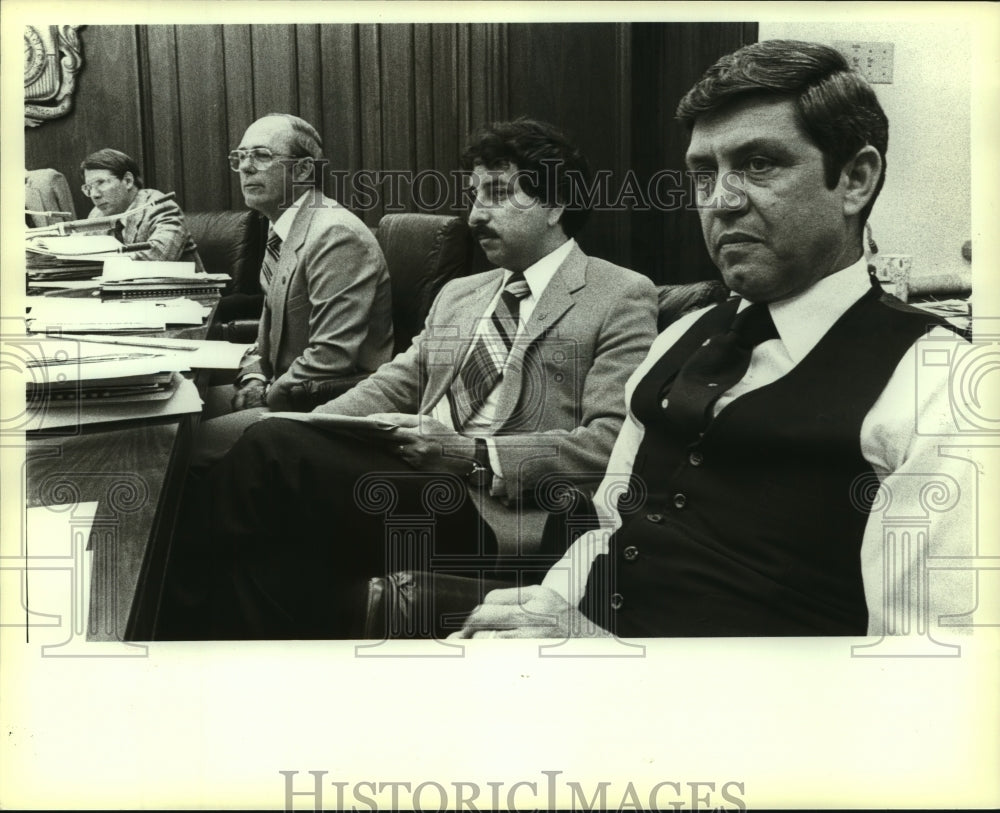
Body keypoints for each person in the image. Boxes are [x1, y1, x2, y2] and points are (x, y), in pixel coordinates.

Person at [454, 40, 974, 639]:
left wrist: (604, 656)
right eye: (705, 173)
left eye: (759, 165)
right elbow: (608, 529)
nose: (720, 202)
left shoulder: (939, 387)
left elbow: (924, 675)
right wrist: (548, 607)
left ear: (855, 179)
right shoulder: (676, 337)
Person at [161, 118, 659, 639]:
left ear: (556, 204)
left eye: (496, 195)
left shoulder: (618, 294)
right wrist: (304, 424)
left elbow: (609, 445)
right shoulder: (463, 293)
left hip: (491, 507)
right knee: (264, 505)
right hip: (403, 466)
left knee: (268, 451)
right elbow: (394, 383)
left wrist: (469, 452)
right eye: (474, 196)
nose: (475, 216)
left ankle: (162, 612)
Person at [194, 112, 394, 453]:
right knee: (166, 417)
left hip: (322, 401)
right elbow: (267, 334)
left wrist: (267, 392)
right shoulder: (282, 227)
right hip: (281, 384)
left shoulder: (334, 234)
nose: (246, 167)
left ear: (302, 170)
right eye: (240, 156)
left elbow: (331, 358)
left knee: (186, 448)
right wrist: (255, 376)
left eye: (261, 155)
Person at [80, 148, 205, 271]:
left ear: (128, 181)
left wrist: (98, 262)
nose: (94, 194)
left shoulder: (160, 207)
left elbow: (158, 257)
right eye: (89, 187)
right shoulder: (97, 215)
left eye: (101, 182)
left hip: (179, 289)